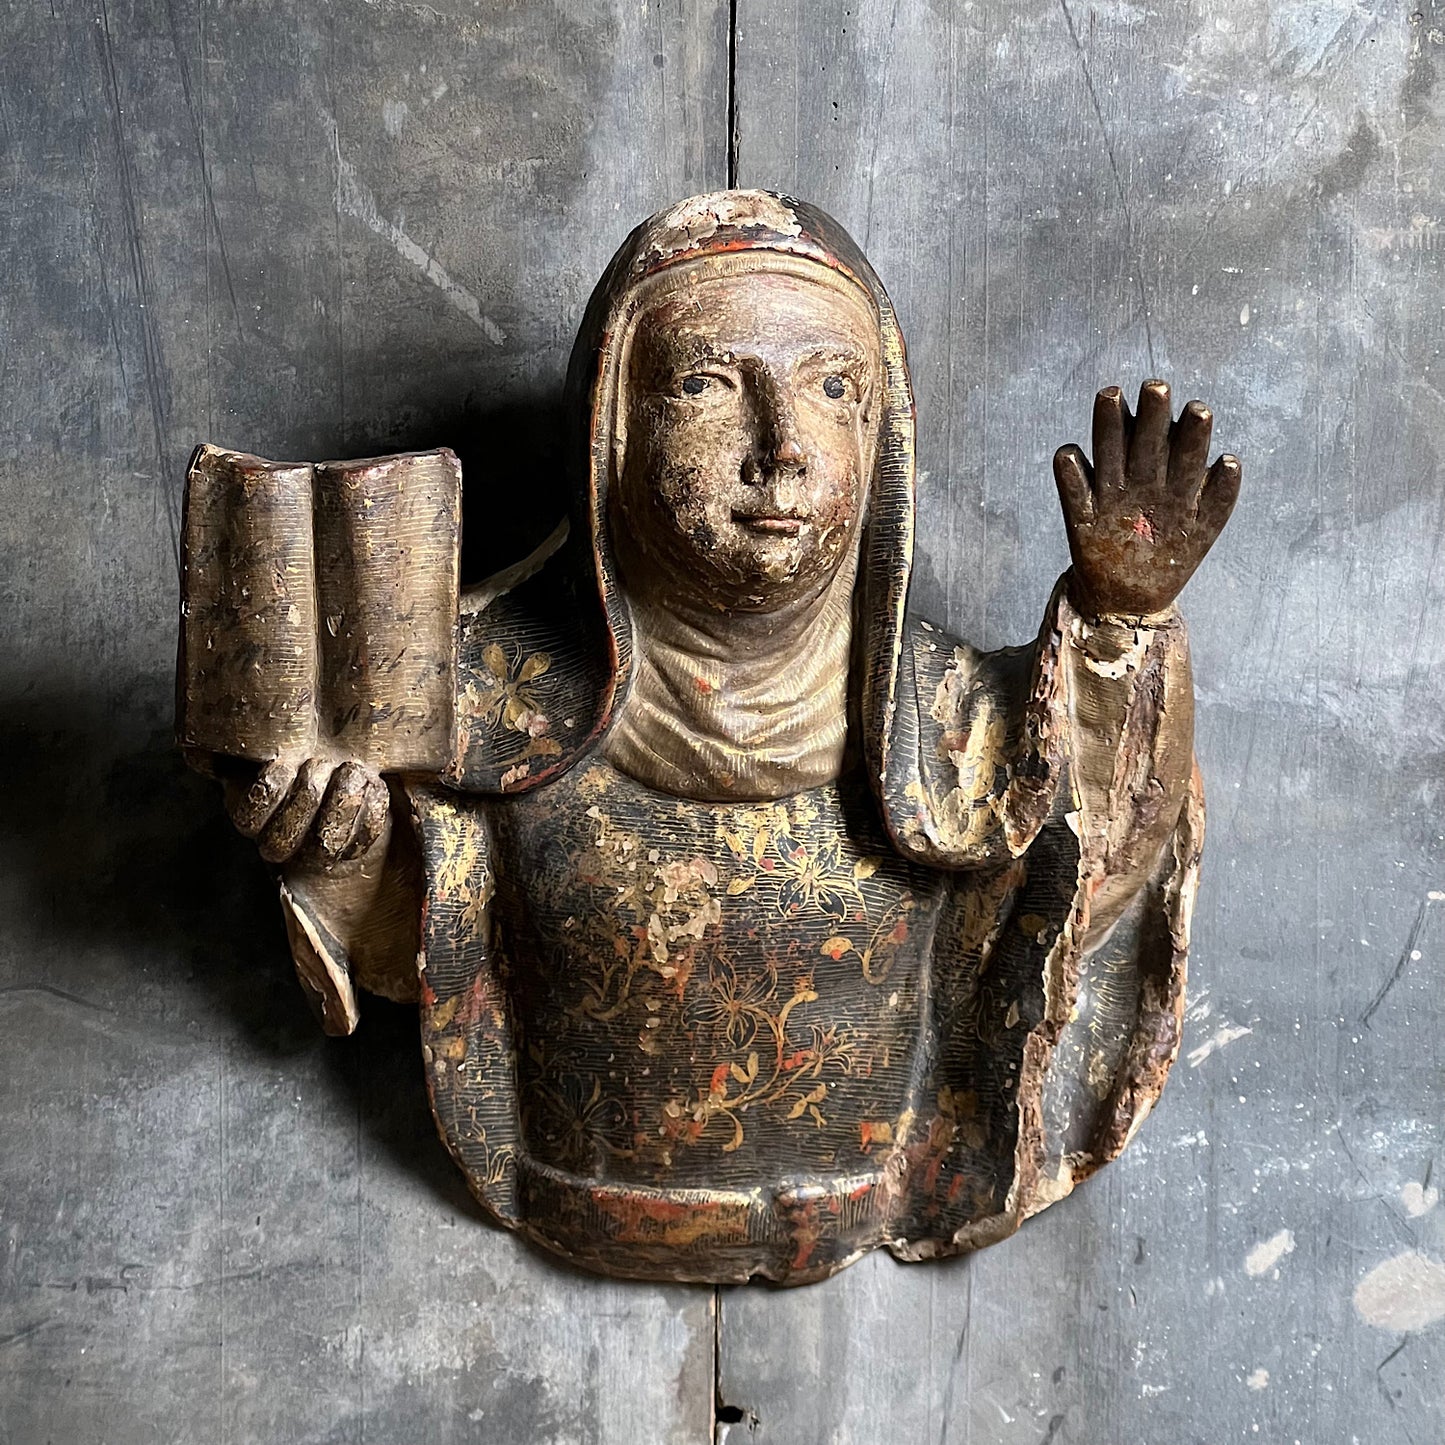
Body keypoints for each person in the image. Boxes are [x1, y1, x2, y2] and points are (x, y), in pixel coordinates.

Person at [212, 190, 1240, 1283]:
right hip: (567, 1207)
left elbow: (1079, 890)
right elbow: (426, 954)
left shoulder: (944, 721)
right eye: (706, 382)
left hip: (861, 1212)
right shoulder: (477, 700)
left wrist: (1119, 628)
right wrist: (342, 850)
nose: (782, 445)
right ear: (609, 427)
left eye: (832, 385)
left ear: (881, 433)